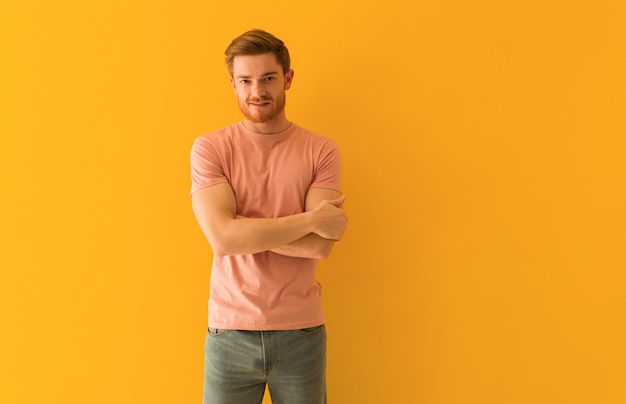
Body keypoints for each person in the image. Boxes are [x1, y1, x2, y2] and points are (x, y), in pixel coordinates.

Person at [190, 29, 347, 404]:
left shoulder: (321, 150)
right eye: (245, 80)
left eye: (268, 78)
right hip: (229, 333)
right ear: (232, 83)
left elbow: (319, 248)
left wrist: (243, 227)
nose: (256, 91)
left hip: (302, 333)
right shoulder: (210, 148)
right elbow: (223, 240)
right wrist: (310, 219)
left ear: (288, 78)